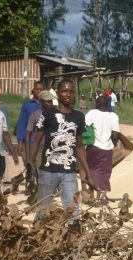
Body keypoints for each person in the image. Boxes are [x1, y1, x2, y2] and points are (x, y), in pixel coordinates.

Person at [30, 80, 91, 216]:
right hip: (48, 172)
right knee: (42, 212)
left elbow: (80, 147)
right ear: (57, 94)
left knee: (73, 212)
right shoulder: (47, 114)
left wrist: (87, 171)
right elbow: (36, 141)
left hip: (69, 173)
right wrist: (30, 162)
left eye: (71, 91)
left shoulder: (79, 117)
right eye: (64, 91)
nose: (68, 94)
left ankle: (72, 236)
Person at [84, 94, 120, 203]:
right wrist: (114, 143)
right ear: (107, 104)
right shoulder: (113, 116)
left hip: (93, 147)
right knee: (103, 173)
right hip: (107, 149)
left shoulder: (92, 113)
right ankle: (99, 198)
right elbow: (114, 135)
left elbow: (84, 125)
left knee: (90, 170)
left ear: (96, 104)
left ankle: (91, 195)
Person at [15, 81, 45, 190]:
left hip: (44, 142)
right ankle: (30, 187)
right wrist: (19, 142)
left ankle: (42, 188)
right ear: (33, 90)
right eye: (37, 89)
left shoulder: (48, 105)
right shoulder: (27, 105)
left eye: (41, 89)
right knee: (29, 165)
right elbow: (22, 123)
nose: (39, 91)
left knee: (42, 166)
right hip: (29, 141)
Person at [24, 90, 55, 197]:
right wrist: (28, 156)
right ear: (41, 101)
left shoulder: (55, 115)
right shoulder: (35, 115)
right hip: (38, 150)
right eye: (47, 101)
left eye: (51, 101)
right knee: (40, 175)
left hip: (51, 150)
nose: (50, 104)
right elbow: (28, 135)